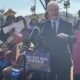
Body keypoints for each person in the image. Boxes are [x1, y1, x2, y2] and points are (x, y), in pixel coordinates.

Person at [27, 1, 75, 80]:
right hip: (48, 62)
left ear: (58, 10)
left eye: (56, 9)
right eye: (51, 10)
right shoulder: (42, 25)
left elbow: (74, 39)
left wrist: (68, 37)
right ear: (48, 11)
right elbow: (38, 41)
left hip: (63, 61)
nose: (54, 12)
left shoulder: (67, 24)